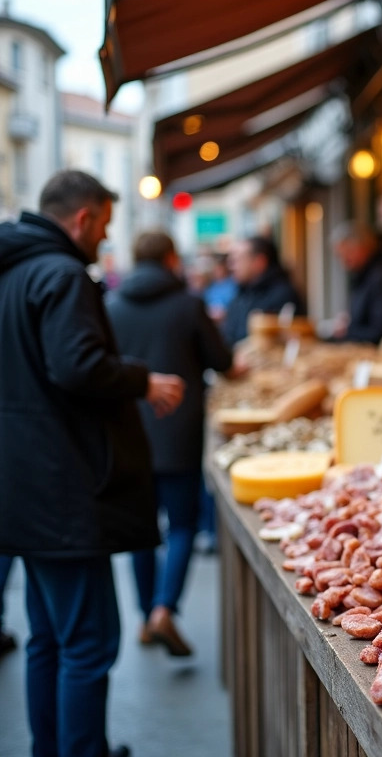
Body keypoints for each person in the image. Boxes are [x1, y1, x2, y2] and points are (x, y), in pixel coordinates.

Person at [0, 169, 185, 757]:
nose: (105, 240)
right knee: (87, 641)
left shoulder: (11, 273)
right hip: (63, 489)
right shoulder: (61, 276)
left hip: (23, 482)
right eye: (103, 226)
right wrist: (142, 380)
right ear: (82, 218)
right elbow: (77, 365)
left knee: (48, 639)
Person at [106, 231, 236, 657]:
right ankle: (165, 609)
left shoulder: (112, 306)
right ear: (169, 259)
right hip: (178, 429)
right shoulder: (188, 304)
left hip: (129, 430)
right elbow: (221, 361)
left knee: (143, 530)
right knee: (181, 525)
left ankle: (146, 616)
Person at [330, 221, 382, 343]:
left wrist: (348, 330)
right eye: (340, 256)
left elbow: (381, 330)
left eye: (346, 254)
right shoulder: (363, 275)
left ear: (361, 248)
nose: (343, 261)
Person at [222, 235, 305, 346]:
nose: (231, 266)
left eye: (238, 260)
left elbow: (281, 341)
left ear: (259, 262)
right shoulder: (242, 292)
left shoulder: (282, 294)